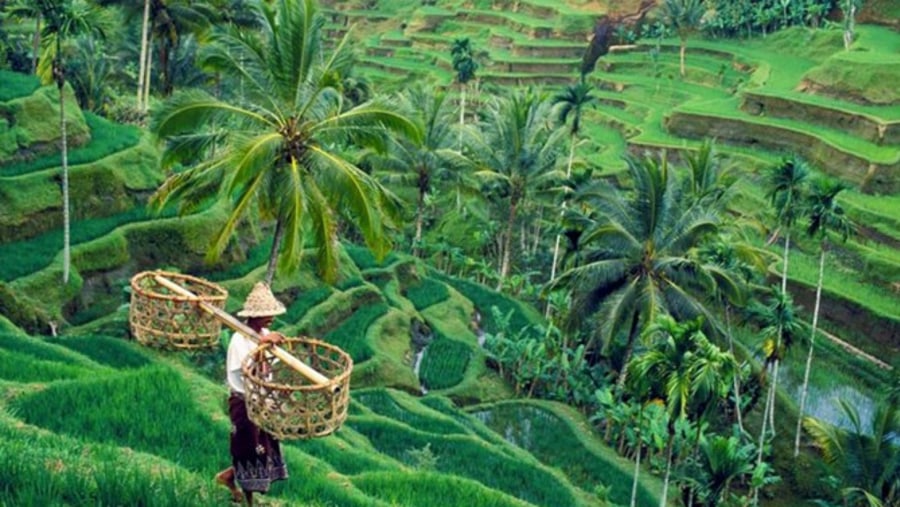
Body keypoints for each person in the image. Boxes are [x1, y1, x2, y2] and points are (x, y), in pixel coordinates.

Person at [215, 282, 289, 505]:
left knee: (263, 447)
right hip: (244, 402)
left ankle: (228, 478)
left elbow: (269, 368)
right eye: (267, 315)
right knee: (247, 448)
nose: (271, 318)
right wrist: (262, 347)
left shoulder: (264, 334)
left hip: (261, 402)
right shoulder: (240, 340)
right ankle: (248, 499)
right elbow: (248, 373)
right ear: (254, 317)